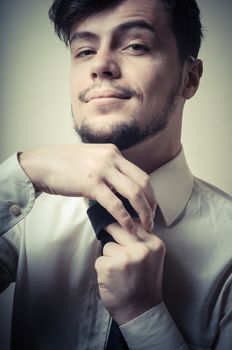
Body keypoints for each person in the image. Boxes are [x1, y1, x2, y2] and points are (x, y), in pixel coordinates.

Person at [0, 0, 231, 349]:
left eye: (135, 46)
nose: (101, 65)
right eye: (85, 50)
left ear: (191, 77)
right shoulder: (22, 212)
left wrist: (144, 314)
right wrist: (25, 170)